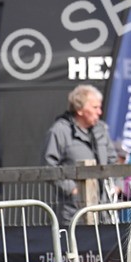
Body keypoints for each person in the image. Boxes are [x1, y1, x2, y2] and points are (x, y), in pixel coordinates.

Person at [44, 84, 119, 225]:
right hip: (73, 213)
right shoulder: (59, 131)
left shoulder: (101, 129)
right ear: (80, 109)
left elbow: (113, 160)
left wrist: (117, 184)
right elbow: (49, 166)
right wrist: (72, 189)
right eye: (95, 107)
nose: (100, 112)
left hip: (104, 211)